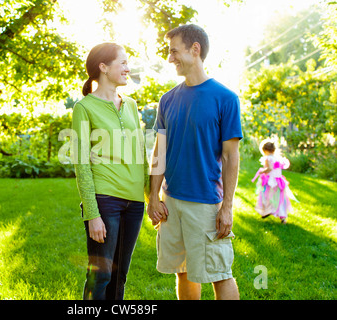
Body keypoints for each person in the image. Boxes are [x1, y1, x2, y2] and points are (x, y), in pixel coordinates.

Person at [147, 24, 242, 300]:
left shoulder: (225, 98)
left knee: (219, 273)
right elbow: (159, 152)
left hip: (206, 204)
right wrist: (153, 196)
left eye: (174, 50)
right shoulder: (167, 100)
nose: (169, 58)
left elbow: (230, 156)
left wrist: (227, 207)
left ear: (195, 49)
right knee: (183, 270)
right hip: (172, 201)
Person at [71, 43, 146, 300]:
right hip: (106, 201)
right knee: (100, 275)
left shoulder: (131, 105)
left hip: (135, 203)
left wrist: (151, 196)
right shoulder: (84, 108)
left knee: (120, 276)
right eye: (122, 63)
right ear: (103, 67)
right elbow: (81, 164)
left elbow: (140, 153)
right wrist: (92, 213)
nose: (128, 68)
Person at [251, 139, 298, 224]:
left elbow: (269, 169)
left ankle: (267, 210)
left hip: (270, 181)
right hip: (279, 181)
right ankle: (283, 217)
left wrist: (262, 171)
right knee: (280, 199)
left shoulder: (268, 158)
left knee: (268, 196)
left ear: (265, 150)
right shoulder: (278, 158)